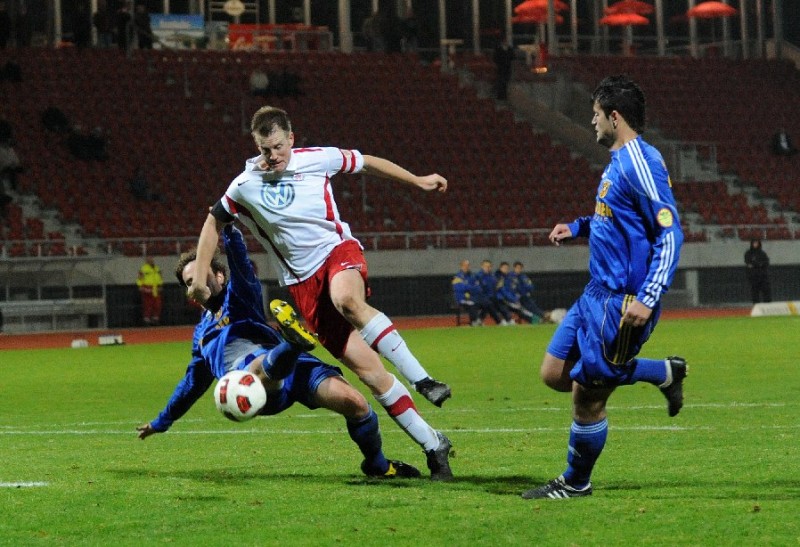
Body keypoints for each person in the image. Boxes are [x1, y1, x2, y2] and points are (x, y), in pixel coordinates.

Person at [186, 105, 453, 480]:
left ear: (291, 139)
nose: (273, 156)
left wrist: (418, 180)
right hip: (303, 287)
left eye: (279, 147)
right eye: (265, 150)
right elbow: (213, 220)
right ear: (256, 147)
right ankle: (433, 444)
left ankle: (423, 379)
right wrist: (200, 275)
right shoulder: (244, 185)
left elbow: (367, 162)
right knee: (372, 375)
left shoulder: (317, 159)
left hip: (337, 253)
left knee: (347, 300)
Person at [137, 225, 421, 480]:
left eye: (200, 275)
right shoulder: (202, 336)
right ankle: (293, 342)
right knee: (254, 367)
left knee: (356, 405)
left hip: (296, 368)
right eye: (189, 282)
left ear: (220, 276)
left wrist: (227, 226)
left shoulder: (238, 297)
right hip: (254, 388)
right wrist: (162, 421)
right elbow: (191, 384)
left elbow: (241, 263)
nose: (196, 284)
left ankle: (378, 466)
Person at [522, 75, 687, 500]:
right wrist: (578, 227)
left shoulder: (640, 163)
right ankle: (663, 372)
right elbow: (615, 218)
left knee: (587, 398)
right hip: (594, 293)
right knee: (555, 374)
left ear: (615, 117)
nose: (592, 121)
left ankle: (575, 482)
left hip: (622, 303)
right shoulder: (618, 162)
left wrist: (648, 298)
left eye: (596, 114)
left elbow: (670, 233)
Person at [476, 259, 514, 325]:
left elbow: (496, 287)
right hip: (481, 297)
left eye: (489, 266)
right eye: (486, 266)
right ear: (482, 266)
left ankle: (508, 319)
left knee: (499, 302)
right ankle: (499, 321)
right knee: (489, 303)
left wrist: (498, 286)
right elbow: (478, 289)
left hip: (492, 297)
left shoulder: (492, 276)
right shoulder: (478, 276)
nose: (488, 268)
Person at [137, 256, 163, 325]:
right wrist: (141, 286)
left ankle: (155, 319)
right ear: (146, 261)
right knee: (147, 305)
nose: (151, 260)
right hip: (147, 287)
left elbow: (160, 277)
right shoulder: (143, 269)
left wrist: (160, 285)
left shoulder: (157, 268)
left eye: (151, 259)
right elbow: (139, 278)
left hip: (155, 288)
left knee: (157, 304)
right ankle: (146, 320)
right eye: (149, 259)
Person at [744, 239, 771, 304]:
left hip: (763, 276)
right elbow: (748, 263)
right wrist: (758, 264)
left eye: (757, 243)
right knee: (755, 291)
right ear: (751, 244)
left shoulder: (762, 253)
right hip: (753, 276)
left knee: (766, 290)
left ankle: (768, 305)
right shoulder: (748, 253)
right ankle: (756, 304)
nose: (755, 244)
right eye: (754, 243)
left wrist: (757, 264)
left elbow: (766, 262)